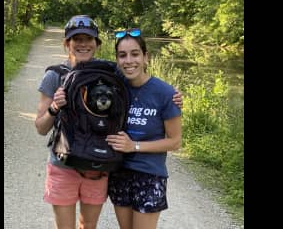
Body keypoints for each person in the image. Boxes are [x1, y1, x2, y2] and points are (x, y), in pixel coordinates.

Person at [35, 15, 183, 229]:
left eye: (89, 39)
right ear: (67, 43)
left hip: (98, 168)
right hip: (63, 165)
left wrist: (173, 96)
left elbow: (139, 77)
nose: (83, 44)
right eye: (77, 39)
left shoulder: (111, 72)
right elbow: (40, 128)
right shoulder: (55, 76)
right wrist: (54, 107)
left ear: (97, 44)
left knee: (88, 227)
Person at [105, 28, 182, 229]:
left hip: (149, 174)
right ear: (117, 60)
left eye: (135, 54)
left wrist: (134, 146)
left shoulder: (165, 92)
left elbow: (175, 141)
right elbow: (85, 68)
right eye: (122, 55)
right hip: (119, 171)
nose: (129, 60)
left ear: (146, 57)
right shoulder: (114, 85)